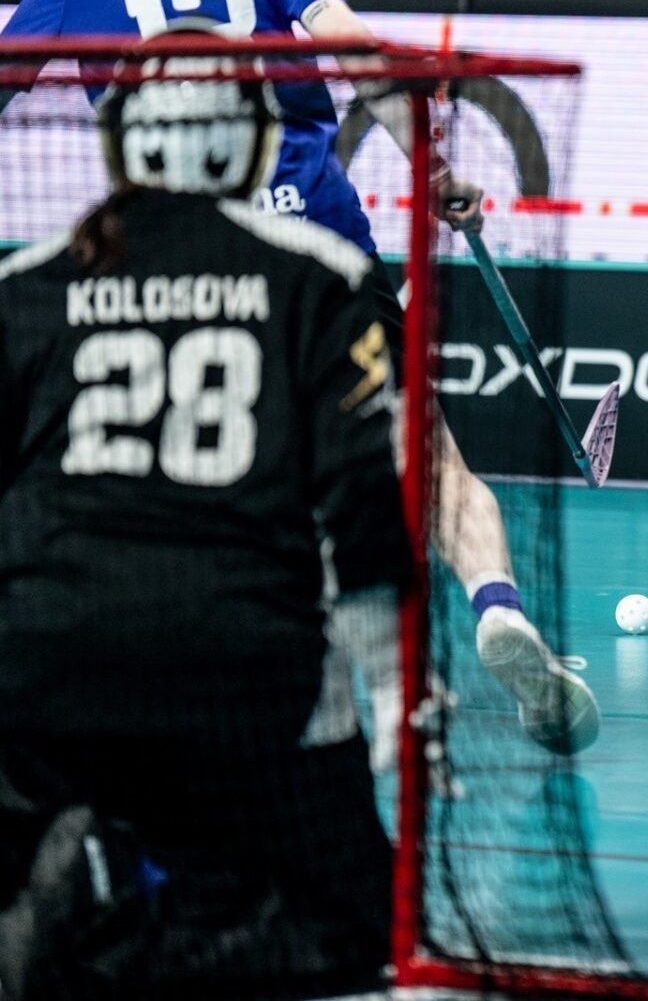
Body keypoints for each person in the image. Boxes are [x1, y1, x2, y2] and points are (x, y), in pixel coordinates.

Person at [0, 0, 597, 761]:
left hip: (166, 259)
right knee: (426, 460)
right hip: (313, 239)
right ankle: (495, 605)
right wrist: (435, 169)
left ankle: (263, 681)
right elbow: (358, 54)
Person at [0, 48, 399, 997]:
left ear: (119, 143)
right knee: (347, 927)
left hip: (47, 667)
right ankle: (146, 912)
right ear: (253, 143)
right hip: (242, 672)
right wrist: (388, 691)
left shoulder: (28, 283)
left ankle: (88, 876)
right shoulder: (320, 274)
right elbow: (361, 503)